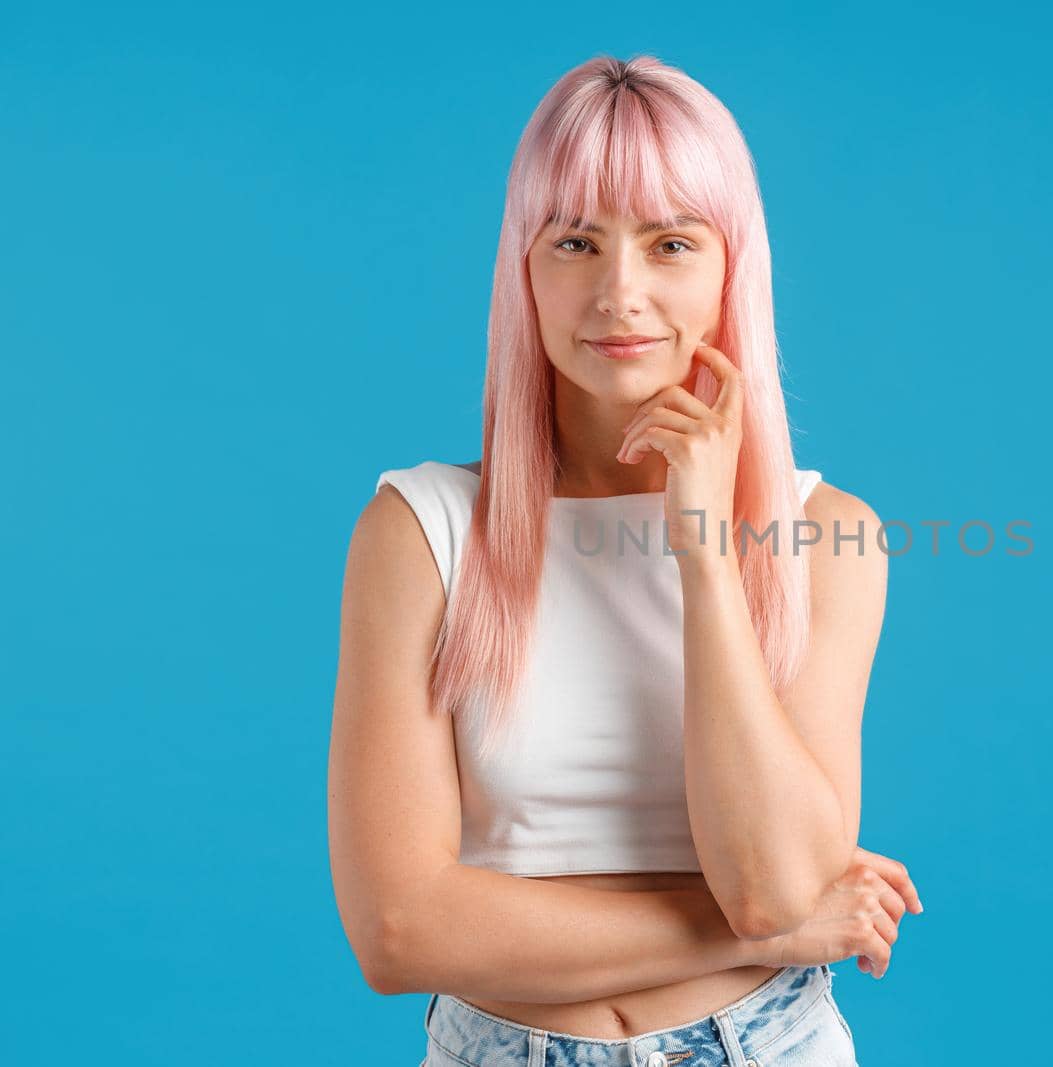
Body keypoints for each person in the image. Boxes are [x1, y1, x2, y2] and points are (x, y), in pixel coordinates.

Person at [328, 54, 921, 1066]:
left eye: (671, 242)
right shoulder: (418, 529)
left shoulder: (830, 535)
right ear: (525, 267)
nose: (619, 292)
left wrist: (701, 550)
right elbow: (399, 932)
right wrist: (768, 931)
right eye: (576, 242)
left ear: (731, 266)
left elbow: (774, 878)